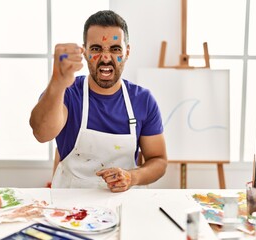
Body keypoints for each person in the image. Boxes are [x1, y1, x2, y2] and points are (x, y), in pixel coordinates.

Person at [29, 10, 167, 192]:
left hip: (124, 204)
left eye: (115, 49)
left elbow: (158, 160)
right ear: (84, 52)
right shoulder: (67, 93)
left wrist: (132, 177)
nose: (106, 58)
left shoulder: (143, 100)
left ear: (127, 52)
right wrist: (57, 82)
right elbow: (41, 133)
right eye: (96, 49)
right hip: (70, 205)